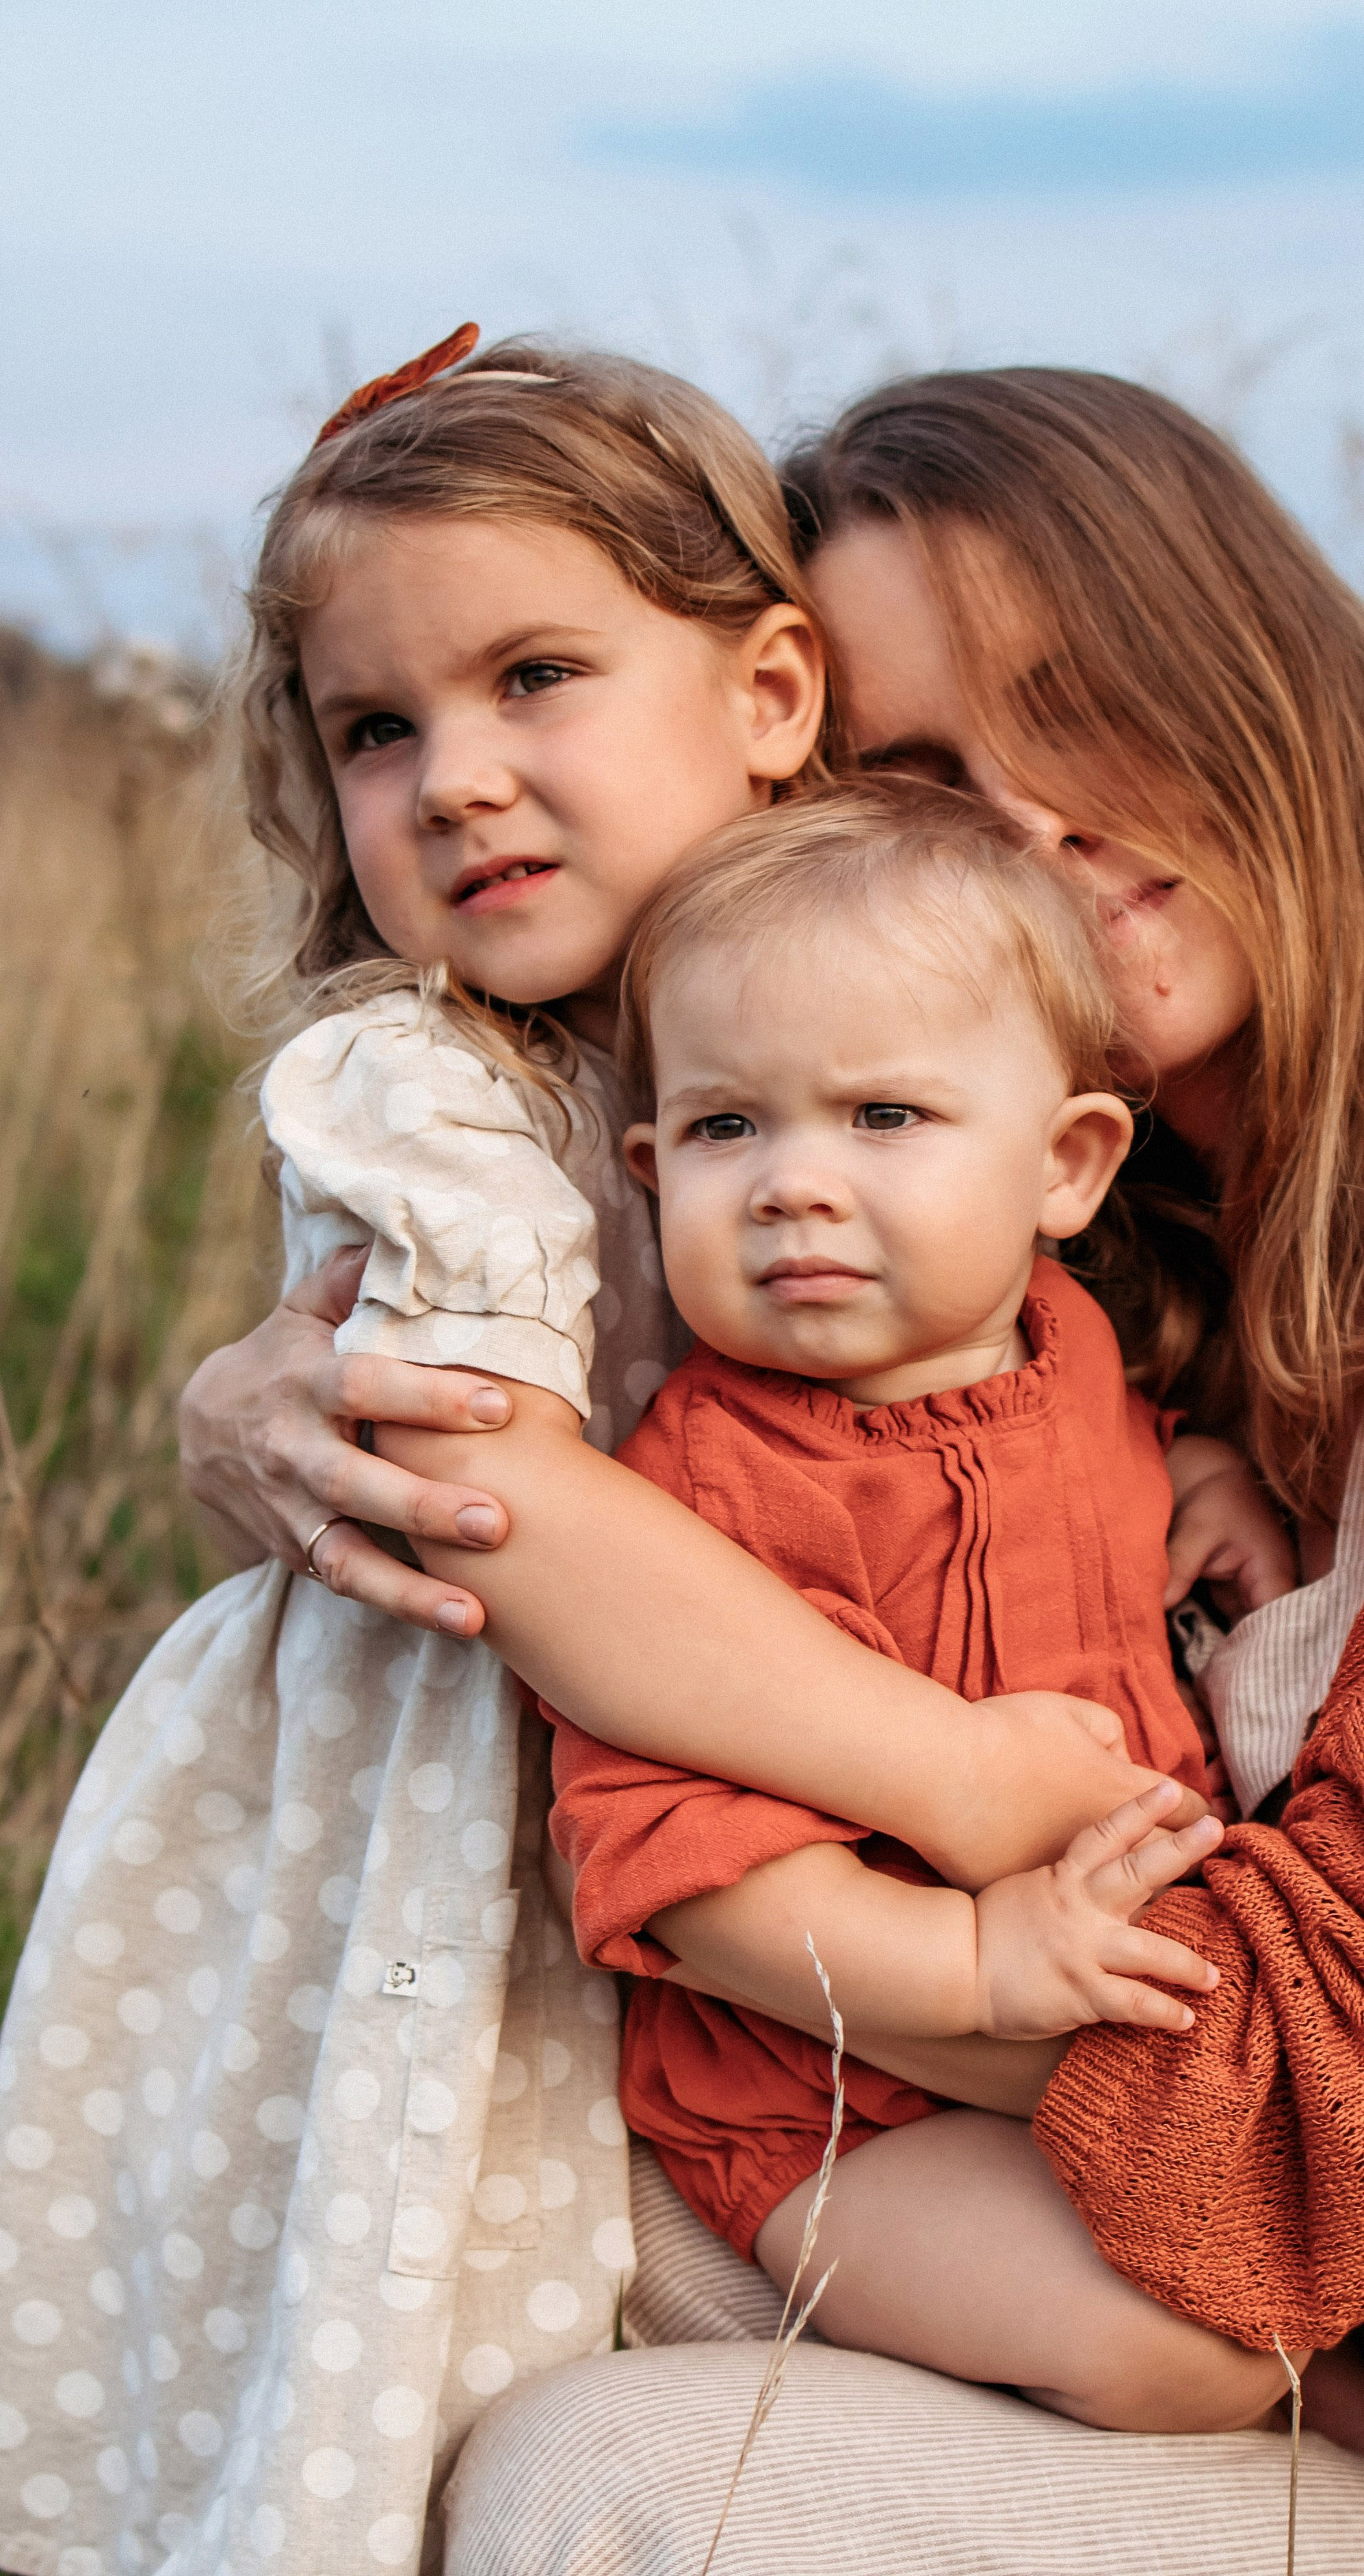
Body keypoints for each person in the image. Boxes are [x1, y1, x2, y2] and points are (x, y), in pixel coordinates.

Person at [183, 366, 1364, 2576]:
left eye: (1082, 698)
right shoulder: (1056, 1231)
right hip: (1079, 2198)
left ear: (1265, 672)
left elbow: (1342, 2116)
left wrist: (880, 1917)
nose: (1021, 824)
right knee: (423, 2304)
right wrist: (281, 1399)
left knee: (586, 2481)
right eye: (914, 772)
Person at [0, 326, 844, 2576]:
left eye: (537, 675)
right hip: (449, 1820)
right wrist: (954, 1775)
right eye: (382, 728)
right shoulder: (436, 1091)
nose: (457, 774)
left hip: (693, 1806)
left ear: (769, 694)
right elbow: (505, 1499)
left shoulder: (896, 1033)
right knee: (425, 2314)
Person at [547, 780, 1364, 2443]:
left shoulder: (1065, 1347)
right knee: (1192, 2347)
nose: (791, 1184)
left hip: (1090, 2028)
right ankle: (1297, 2450)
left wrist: (1193, 1466)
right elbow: (681, 1872)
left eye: (882, 1119)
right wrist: (971, 1959)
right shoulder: (699, 1496)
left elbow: (1097, 1465)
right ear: (648, 1172)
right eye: (726, 1128)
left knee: (1297, 2255)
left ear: (1064, 1168)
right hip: (836, 2105)